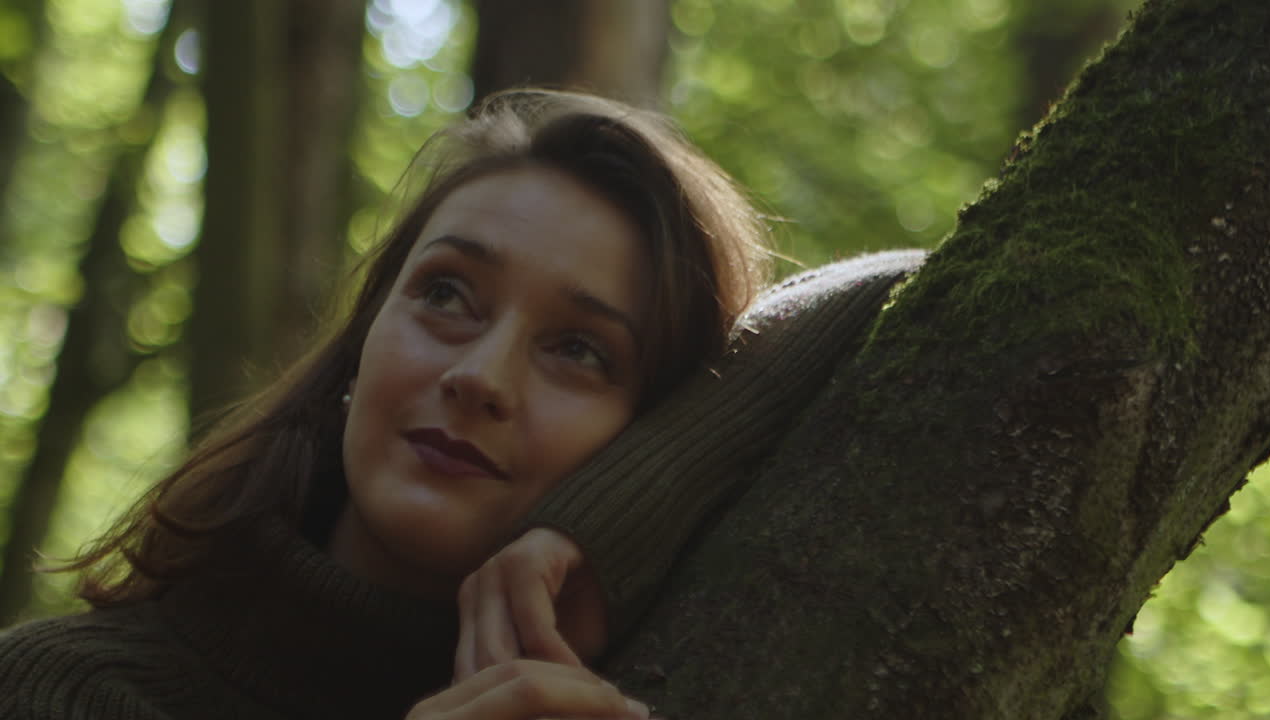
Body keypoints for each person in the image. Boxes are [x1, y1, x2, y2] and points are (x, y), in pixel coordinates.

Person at [0, 89, 921, 720]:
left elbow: (923, 281)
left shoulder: (636, 685)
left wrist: (609, 518)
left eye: (580, 350)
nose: (481, 374)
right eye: (446, 294)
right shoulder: (70, 690)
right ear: (364, 339)